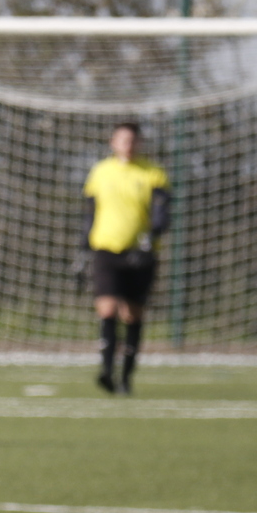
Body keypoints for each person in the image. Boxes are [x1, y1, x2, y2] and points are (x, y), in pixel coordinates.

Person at [82, 122, 170, 395]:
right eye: (123, 140)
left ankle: (126, 377)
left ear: (139, 143)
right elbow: (90, 212)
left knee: (132, 314)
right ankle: (106, 371)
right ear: (113, 142)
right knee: (107, 309)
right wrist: (82, 249)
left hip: (139, 253)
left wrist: (151, 237)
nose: (128, 145)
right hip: (106, 249)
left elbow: (162, 213)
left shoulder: (153, 173)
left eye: (132, 140)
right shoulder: (100, 172)